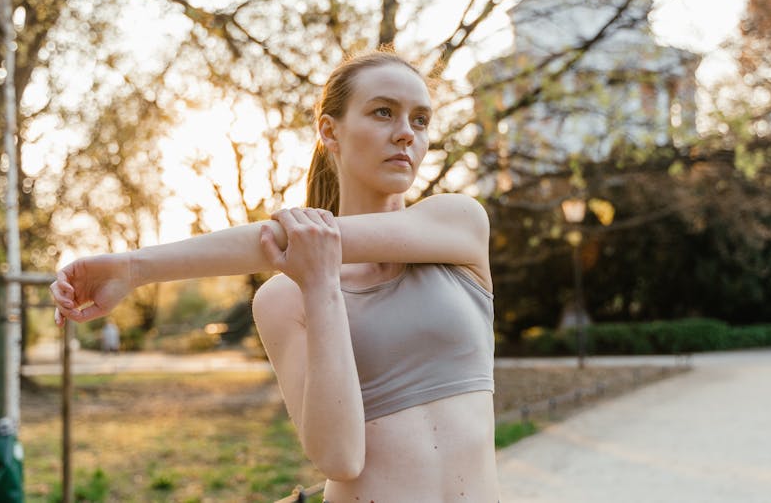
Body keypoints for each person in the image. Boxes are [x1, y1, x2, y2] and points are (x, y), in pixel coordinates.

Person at [50, 50, 499, 501]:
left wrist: (136, 267)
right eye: (383, 112)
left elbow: (289, 238)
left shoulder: (458, 223)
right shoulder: (282, 298)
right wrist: (321, 286)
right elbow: (340, 459)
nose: (406, 133)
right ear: (329, 130)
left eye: (420, 120)